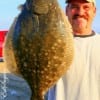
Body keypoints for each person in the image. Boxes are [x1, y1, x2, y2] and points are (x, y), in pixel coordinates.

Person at [46, 0, 100, 100]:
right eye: (74, 7)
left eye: (86, 7)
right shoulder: (51, 44)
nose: (80, 12)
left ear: (94, 11)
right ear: (66, 10)